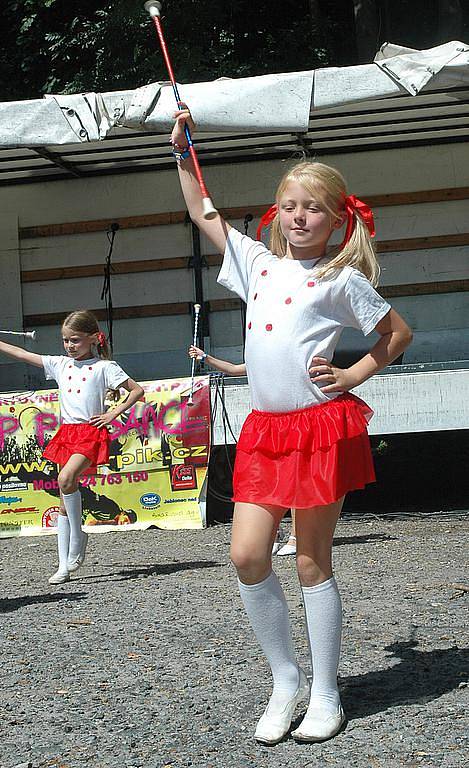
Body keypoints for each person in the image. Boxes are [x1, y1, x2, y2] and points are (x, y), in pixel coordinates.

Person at [173, 109, 412, 744]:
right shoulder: (256, 262)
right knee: (247, 553)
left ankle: (327, 693)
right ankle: (285, 681)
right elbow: (203, 212)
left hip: (320, 430)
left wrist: (353, 375)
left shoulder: (341, 279)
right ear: (275, 214)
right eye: (289, 205)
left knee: (311, 561)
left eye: (312, 208)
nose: (299, 216)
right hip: (266, 431)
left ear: (337, 220)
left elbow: (395, 334)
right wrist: (181, 153)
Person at [0, 310, 144, 585]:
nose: (69, 346)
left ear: (92, 338)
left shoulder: (105, 367)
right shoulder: (60, 364)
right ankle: (64, 565)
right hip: (67, 433)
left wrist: (112, 413)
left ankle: (78, 537)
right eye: (65, 340)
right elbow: (22, 355)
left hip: (90, 433)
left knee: (65, 479)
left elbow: (136, 391)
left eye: (75, 340)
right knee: (65, 499)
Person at [189, 343, 297, 555]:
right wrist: (205, 358)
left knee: (292, 481)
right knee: (266, 481)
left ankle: (296, 536)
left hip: (290, 423)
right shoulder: (260, 360)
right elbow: (234, 369)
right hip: (266, 426)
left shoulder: (289, 358)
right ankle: (274, 533)